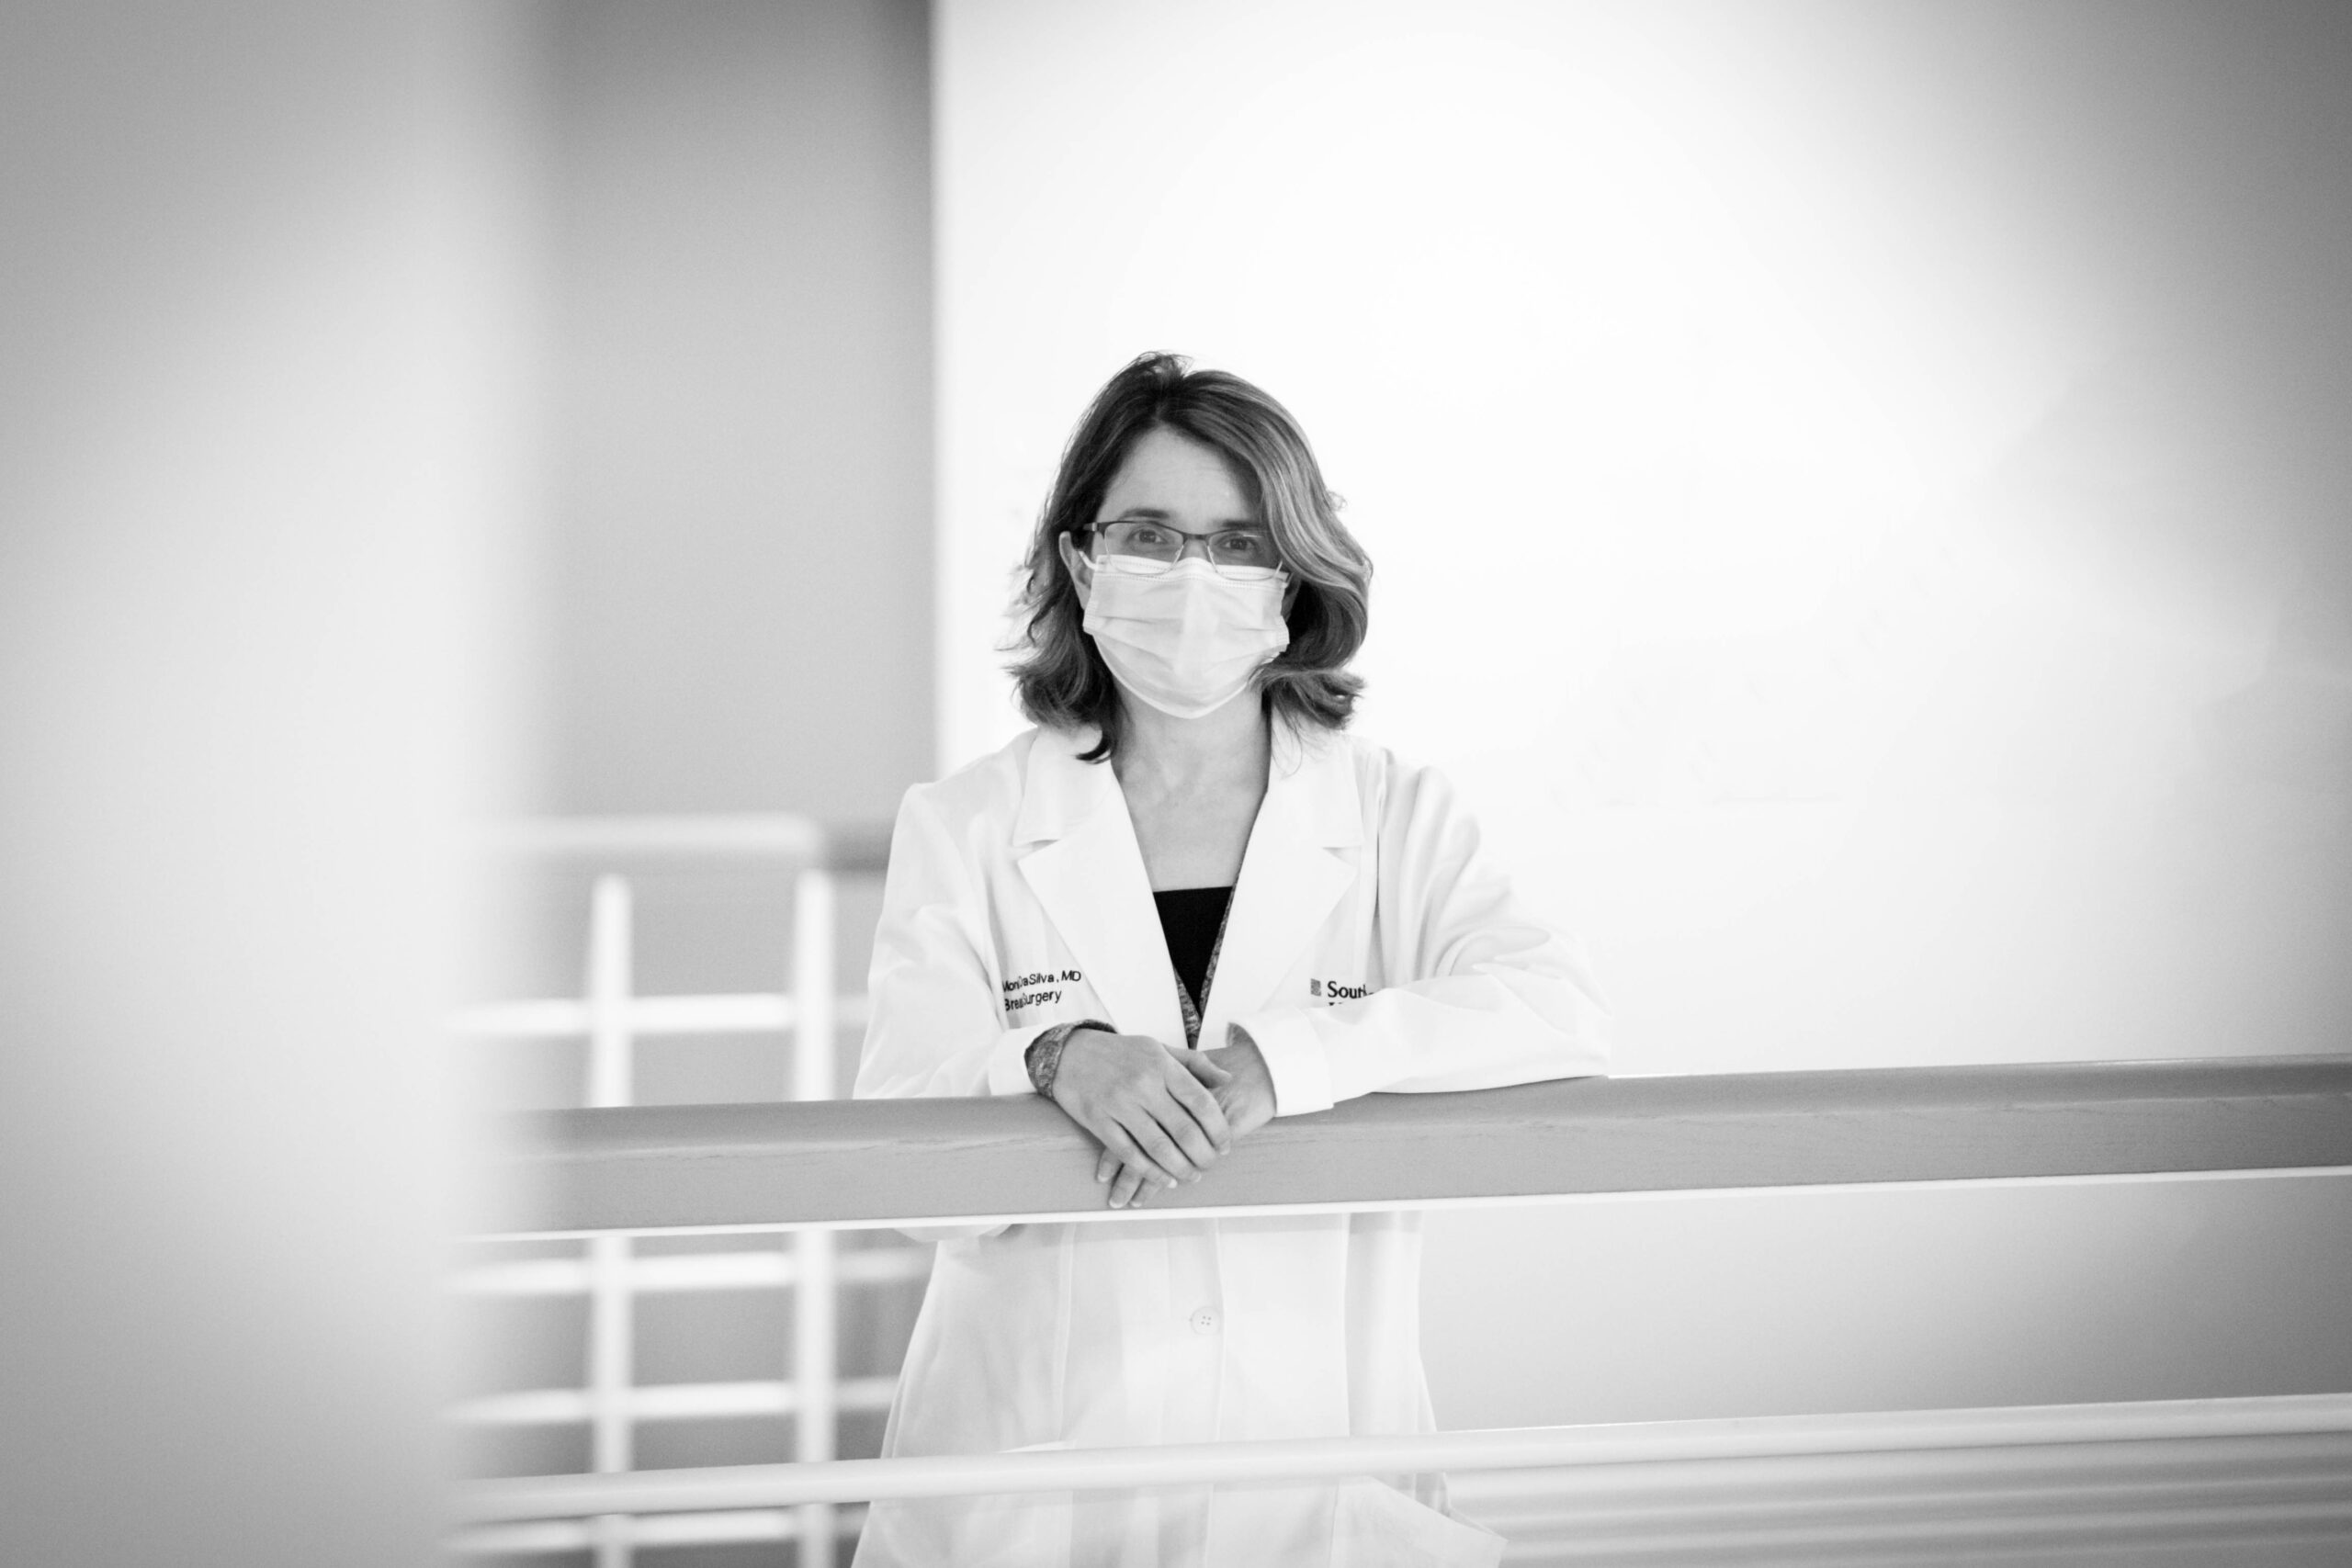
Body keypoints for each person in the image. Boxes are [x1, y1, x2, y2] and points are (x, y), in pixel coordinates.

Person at [852, 353, 1609, 1567]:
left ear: (1292, 576)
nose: (1192, 577)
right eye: (1149, 535)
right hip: (1035, 1483)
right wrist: (1051, 1056)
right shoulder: (968, 825)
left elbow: (1554, 1007)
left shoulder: (1392, 815)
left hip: (1314, 1483)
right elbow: (899, 1149)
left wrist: (1286, 1064)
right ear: (1081, 560)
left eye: (1238, 543)